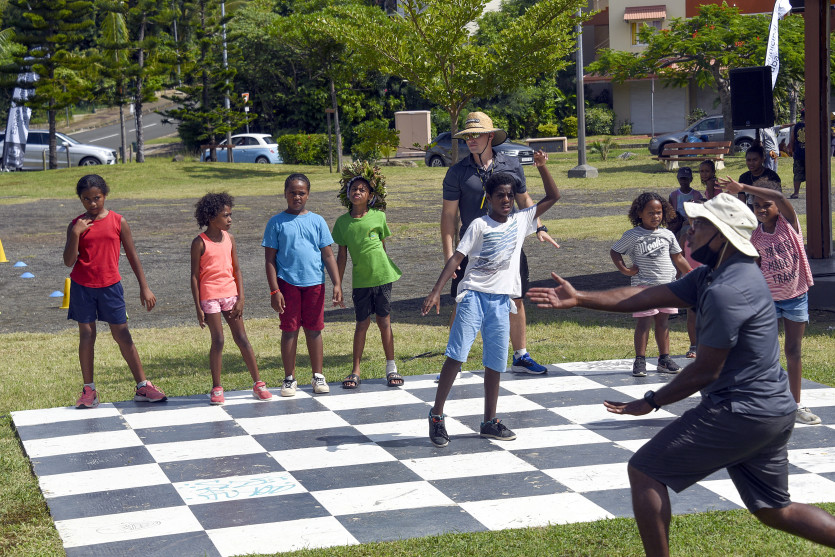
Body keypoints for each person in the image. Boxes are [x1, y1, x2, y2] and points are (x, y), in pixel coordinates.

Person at [527, 193, 835, 556]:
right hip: (773, 410)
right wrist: (580, 298)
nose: (689, 231)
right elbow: (648, 295)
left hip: (740, 412)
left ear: (723, 235)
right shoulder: (715, 274)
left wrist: (651, 401)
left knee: (645, 470)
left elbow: (705, 370)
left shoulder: (726, 291)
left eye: (700, 224)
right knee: (774, 509)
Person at [423, 151, 559, 447]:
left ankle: (489, 421)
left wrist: (542, 167)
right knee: (457, 355)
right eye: (500, 196)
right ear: (489, 198)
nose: (507, 200)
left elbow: (553, 196)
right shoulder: (479, 225)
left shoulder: (521, 221)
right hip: (473, 296)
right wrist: (435, 291)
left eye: (510, 195)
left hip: (500, 301)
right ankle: (436, 415)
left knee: (495, 362)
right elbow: (456, 259)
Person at [441, 111, 559, 375]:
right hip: (472, 248)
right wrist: (449, 255)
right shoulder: (457, 172)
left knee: (515, 298)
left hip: (508, 244)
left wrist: (540, 227)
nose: (471, 140)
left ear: (490, 136)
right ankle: (454, 361)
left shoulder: (511, 165)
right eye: (467, 136)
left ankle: (520, 356)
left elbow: (525, 201)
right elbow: (449, 216)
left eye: (477, 135)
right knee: (462, 300)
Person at [718, 177, 820, 425]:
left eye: (766, 205)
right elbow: (753, 265)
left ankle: (796, 404)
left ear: (776, 205)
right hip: (768, 301)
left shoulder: (789, 223)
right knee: (763, 352)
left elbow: (781, 198)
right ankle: (764, 401)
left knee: (793, 351)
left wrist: (744, 188)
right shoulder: (755, 234)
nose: (761, 210)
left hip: (796, 297)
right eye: (757, 206)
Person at [63, 174, 166, 408]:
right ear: (80, 199)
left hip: (110, 287)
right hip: (82, 287)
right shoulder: (76, 224)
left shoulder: (118, 221)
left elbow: (132, 255)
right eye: (86, 199)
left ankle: (143, 386)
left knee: (122, 334)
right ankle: (89, 390)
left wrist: (144, 287)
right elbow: (69, 261)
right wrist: (76, 233)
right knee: (87, 335)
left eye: (97, 198)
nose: (92, 203)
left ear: (105, 195)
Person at [262, 173, 344, 397]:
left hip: (314, 283)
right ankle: (289, 379)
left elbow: (328, 255)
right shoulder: (276, 222)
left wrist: (337, 283)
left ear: (308, 195)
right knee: (289, 330)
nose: (297, 197)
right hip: (287, 284)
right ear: (285, 194)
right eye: (292, 193)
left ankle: (318, 376)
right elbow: (269, 260)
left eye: (301, 193)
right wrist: (274, 290)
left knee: (314, 330)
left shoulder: (317, 221)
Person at [191, 192, 271, 405]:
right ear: (211, 218)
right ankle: (217, 387)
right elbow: (194, 276)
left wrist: (241, 297)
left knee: (242, 338)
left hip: (230, 295)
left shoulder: (230, 239)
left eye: (230, 215)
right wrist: (198, 307)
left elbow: (237, 269)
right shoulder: (199, 242)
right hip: (210, 297)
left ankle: (258, 383)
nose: (230, 219)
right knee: (218, 340)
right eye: (225, 215)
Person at [333, 163, 403, 390]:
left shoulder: (379, 217)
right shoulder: (342, 223)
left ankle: (391, 367)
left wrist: (384, 268)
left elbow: (382, 246)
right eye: (354, 189)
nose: (358, 192)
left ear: (370, 196)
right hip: (361, 281)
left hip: (382, 277)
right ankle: (355, 370)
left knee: (384, 321)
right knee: (361, 323)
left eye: (363, 189)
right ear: (347, 194)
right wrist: (337, 284)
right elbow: (342, 256)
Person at [610, 192, 691, 377]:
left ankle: (664, 359)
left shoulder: (667, 234)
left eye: (659, 212)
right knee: (644, 322)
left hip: (667, 287)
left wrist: (693, 274)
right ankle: (640, 360)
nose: (656, 216)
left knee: (663, 322)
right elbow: (615, 252)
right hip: (643, 288)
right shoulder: (632, 235)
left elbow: (678, 258)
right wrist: (625, 270)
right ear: (639, 213)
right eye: (651, 213)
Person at [667, 166, 704, 244]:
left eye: (686, 179)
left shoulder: (697, 195)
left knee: (684, 231)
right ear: (678, 179)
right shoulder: (673, 195)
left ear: (691, 179)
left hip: (690, 221)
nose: (683, 181)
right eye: (681, 179)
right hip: (677, 222)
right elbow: (670, 212)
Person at [738, 144, 781, 210]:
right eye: (748, 160)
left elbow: (779, 199)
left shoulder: (772, 176)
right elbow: (741, 203)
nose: (751, 163)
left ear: (762, 159)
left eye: (755, 160)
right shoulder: (744, 177)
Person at [788, 109, 805, 199]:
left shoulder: (797, 126)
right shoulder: (813, 124)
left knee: (797, 174)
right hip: (811, 155)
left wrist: (792, 150)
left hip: (799, 153)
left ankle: (796, 193)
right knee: (812, 173)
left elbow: (792, 139)